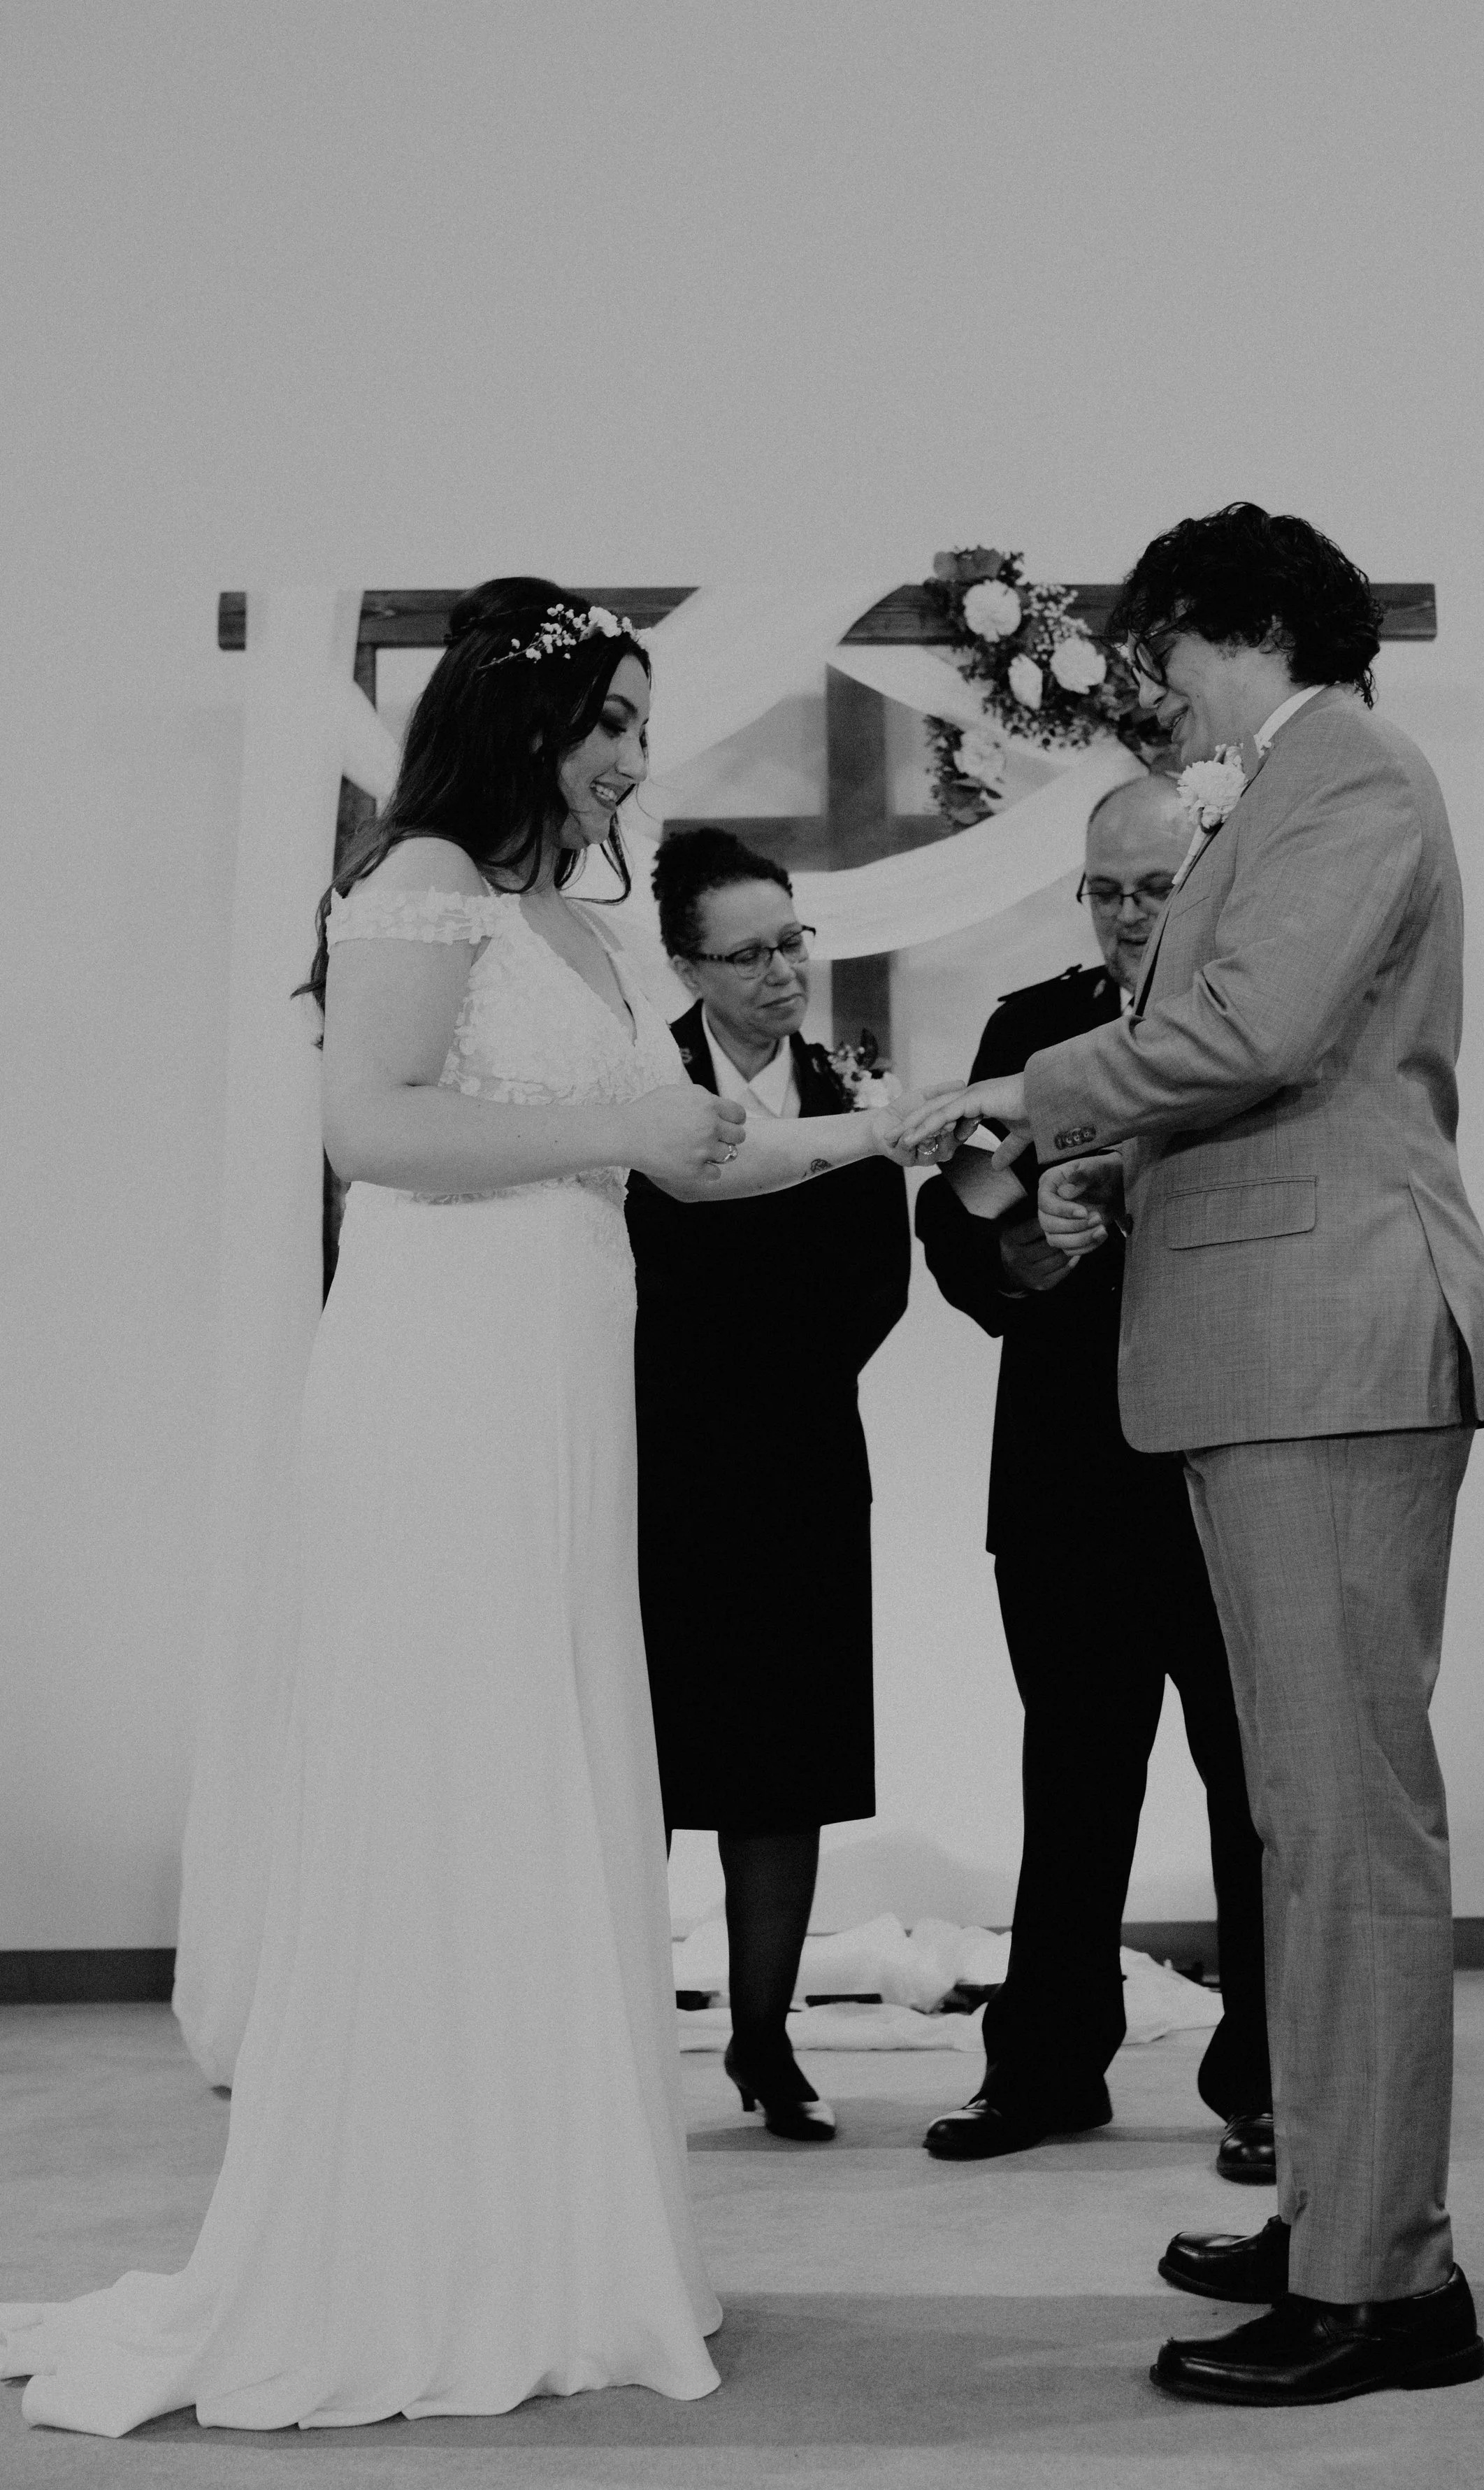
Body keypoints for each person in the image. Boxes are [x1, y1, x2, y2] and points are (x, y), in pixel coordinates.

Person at [1, 579, 920, 2437]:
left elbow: (700, 1155)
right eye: (608, 726)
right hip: (443, 1381)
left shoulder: (575, 925)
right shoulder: (416, 875)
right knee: (454, 1757)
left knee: (557, 1757)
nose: (629, 764)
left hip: (563, 1376)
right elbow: (375, 1128)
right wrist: (629, 1138)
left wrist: (891, 1125)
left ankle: (552, 2226)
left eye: (640, 730)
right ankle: (417, 2239)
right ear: (519, 722)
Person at [900, 505, 1484, 2407]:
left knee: (1345, 1834)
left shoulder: (1347, 774)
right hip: (1273, 1348)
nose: (1148, 689)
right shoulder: (1285, 789)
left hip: (1326, 1344)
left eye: (1160, 650)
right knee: (1304, 1832)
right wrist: (1058, 1164)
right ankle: (1338, 2213)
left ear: (1235, 623)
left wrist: (1022, 1088)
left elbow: (1250, 1031)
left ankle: (1386, 2283)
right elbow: (1233, 1052)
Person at [912, 773, 1272, 2177]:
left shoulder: (1261, 1029)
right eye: (1104, 889)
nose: (1128, 916)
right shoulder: (1027, 1031)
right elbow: (956, 1220)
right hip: (1065, 1474)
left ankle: (1268, 2081)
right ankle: (1047, 2065)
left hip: (1223, 1463)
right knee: (1067, 1780)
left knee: (1249, 1785)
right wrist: (1030, 1233)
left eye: (1154, 888)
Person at [626, 827, 911, 2145]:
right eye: (749, 954)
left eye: (794, 940)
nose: (784, 972)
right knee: (639, 1756)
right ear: (686, 964)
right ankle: (620, 2040)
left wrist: (777, 1363)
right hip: (657, 1459)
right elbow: (625, 1259)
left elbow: (875, 1281)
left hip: (799, 1456)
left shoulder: (849, 1085)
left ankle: (763, 2037)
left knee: (782, 1766)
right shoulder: (642, 1084)